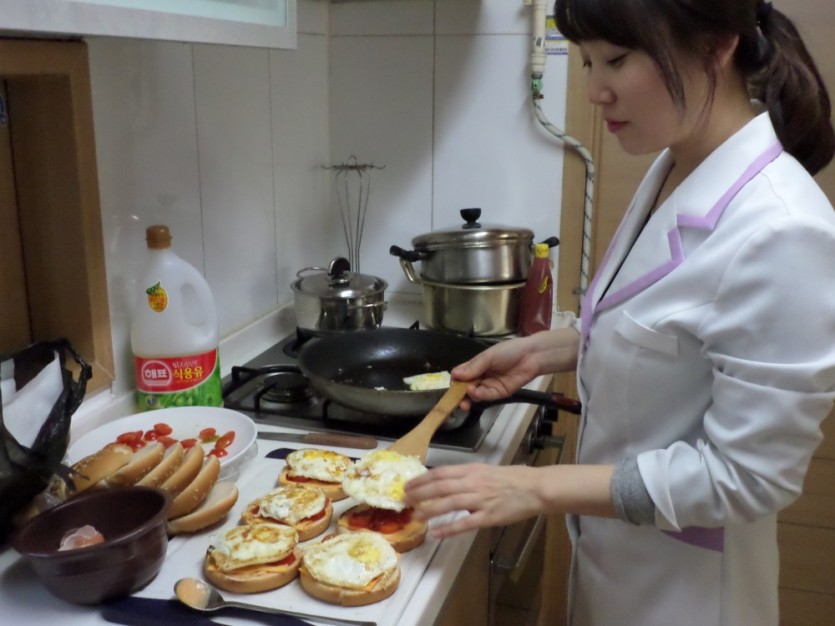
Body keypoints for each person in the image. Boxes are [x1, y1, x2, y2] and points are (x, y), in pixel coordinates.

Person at [403, 1, 835, 624]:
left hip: (685, 597)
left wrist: (534, 487)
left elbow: (748, 478)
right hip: (619, 568)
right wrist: (552, 348)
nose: (595, 91)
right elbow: (675, 332)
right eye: (586, 62)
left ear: (716, 44)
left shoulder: (784, 230)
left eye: (617, 59)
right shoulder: (674, 165)